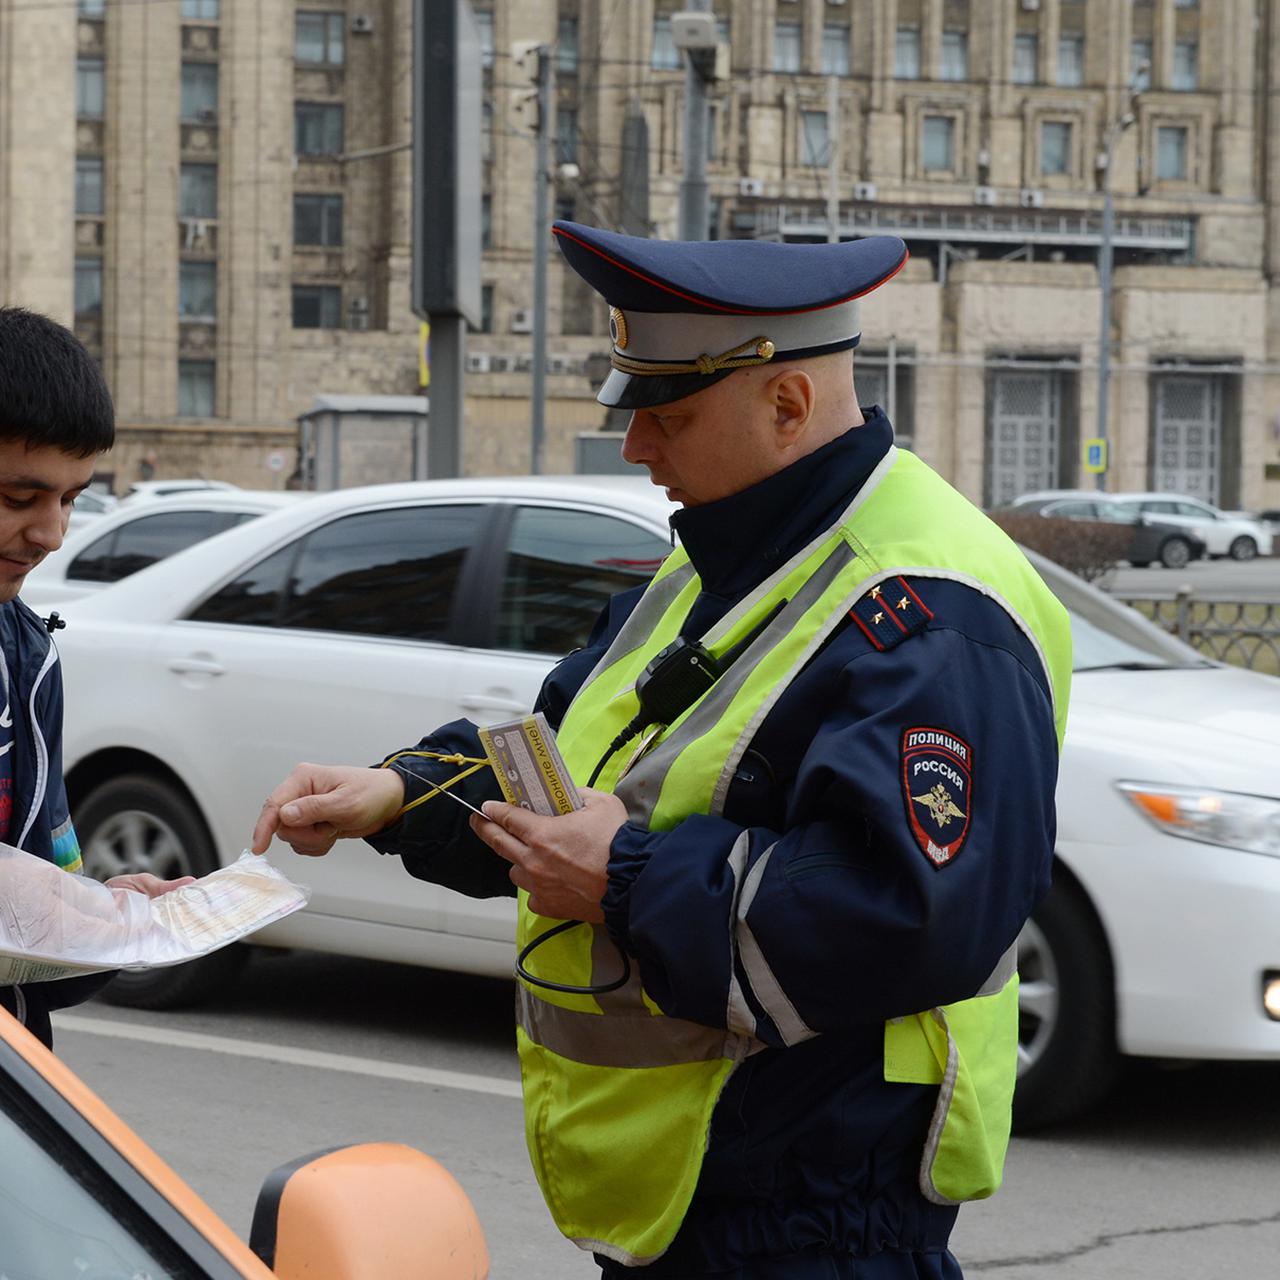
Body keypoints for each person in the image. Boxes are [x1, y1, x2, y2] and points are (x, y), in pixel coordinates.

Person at [252, 223, 1071, 1279]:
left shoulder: (928, 606)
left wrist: (625, 877)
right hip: (699, 1206)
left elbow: (914, 910)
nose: (636, 450)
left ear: (786, 404)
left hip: (816, 1220)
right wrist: (400, 793)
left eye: (667, 415)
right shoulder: (726, 554)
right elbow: (572, 758)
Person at [0, 307, 192, 1049]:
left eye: (71, 498)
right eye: (19, 499)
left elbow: (41, 931)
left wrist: (106, 917)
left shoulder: (28, 654)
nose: (50, 534)